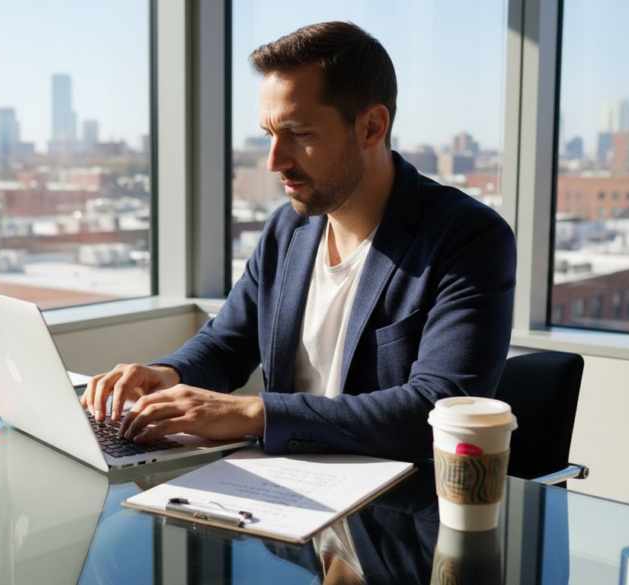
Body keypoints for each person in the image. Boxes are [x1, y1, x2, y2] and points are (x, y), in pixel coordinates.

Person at [81, 21, 516, 461]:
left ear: (371, 127)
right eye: (270, 134)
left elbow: (437, 409)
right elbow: (228, 342)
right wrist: (166, 374)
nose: (275, 160)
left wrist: (256, 412)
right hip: (286, 490)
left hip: (395, 510)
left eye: (299, 134)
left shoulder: (469, 239)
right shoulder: (286, 230)